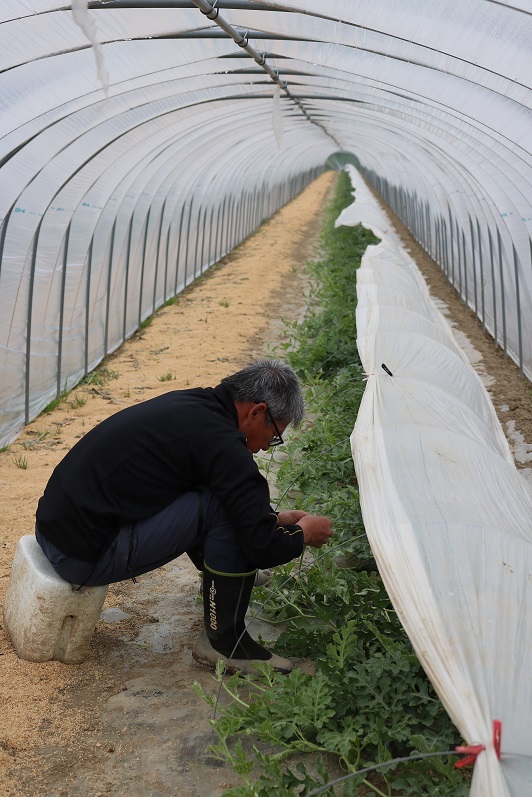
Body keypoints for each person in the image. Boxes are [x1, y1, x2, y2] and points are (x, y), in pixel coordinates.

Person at [35, 359, 333, 675]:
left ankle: (227, 575)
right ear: (256, 412)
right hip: (82, 555)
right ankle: (224, 643)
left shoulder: (197, 406)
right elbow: (263, 547)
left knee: (221, 495)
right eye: (274, 435)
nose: (266, 448)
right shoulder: (223, 444)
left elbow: (239, 499)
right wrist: (303, 534)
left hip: (55, 530)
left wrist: (272, 519)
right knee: (223, 509)